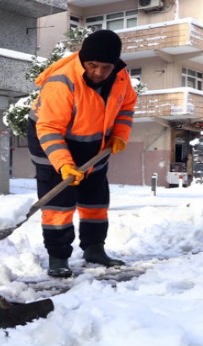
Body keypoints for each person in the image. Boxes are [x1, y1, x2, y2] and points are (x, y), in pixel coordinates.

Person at [27, 30, 137, 278]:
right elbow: (49, 127)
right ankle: (58, 256)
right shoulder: (62, 82)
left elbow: (127, 105)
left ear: (115, 65)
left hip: (94, 143)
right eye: (92, 65)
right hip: (51, 140)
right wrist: (64, 164)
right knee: (59, 202)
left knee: (95, 199)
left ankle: (95, 249)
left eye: (105, 67)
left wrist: (120, 133)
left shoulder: (121, 78)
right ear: (83, 61)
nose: (98, 72)